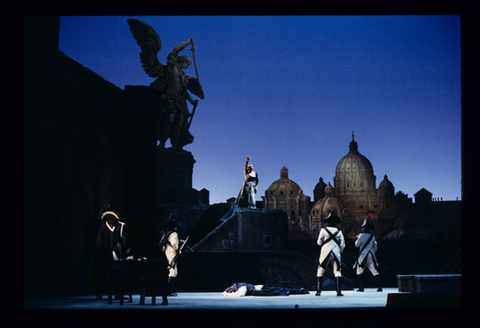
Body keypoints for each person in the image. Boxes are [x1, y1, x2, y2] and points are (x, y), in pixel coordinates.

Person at [158, 38, 202, 149]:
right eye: (187, 63)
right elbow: (175, 50)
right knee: (169, 121)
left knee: (180, 124)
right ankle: (162, 144)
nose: (187, 66)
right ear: (181, 60)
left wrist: (192, 102)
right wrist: (188, 42)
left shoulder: (183, 76)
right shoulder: (172, 66)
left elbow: (184, 92)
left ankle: (175, 145)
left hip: (181, 102)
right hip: (170, 99)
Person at [91, 203, 130, 300]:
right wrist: (124, 252)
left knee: (102, 272)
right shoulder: (121, 226)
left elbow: (99, 242)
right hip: (114, 254)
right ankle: (117, 293)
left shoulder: (103, 226)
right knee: (117, 273)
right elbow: (125, 241)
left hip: (102, 254)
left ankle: (100, 293)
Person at [316, 211, 345, 296]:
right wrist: (338, 251)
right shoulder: (339, 232)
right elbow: (343, 245)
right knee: (337, 271)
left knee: (321, 269)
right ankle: (338, 291)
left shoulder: (323, 230)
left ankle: (318, 292)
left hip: (325, 252)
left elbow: (319, 243)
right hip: (336, 252)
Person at [353, 213, 382, 292]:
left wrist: (358, 238)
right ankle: (379, 287)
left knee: (359, 270)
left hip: (363, 255)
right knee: (374, 271)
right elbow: (375, 247)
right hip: (371, 255)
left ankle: (361, 287)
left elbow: (356, 245)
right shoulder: (372, 237)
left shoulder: (362, 236)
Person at [162, 217, 183, 296]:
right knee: (173, 271)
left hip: (167, 252)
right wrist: (178, 250)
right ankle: (169, 290)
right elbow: (174, 243)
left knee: (170, 270)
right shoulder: (174, 234)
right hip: (171, 252)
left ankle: (168, 290)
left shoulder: (167, 233)